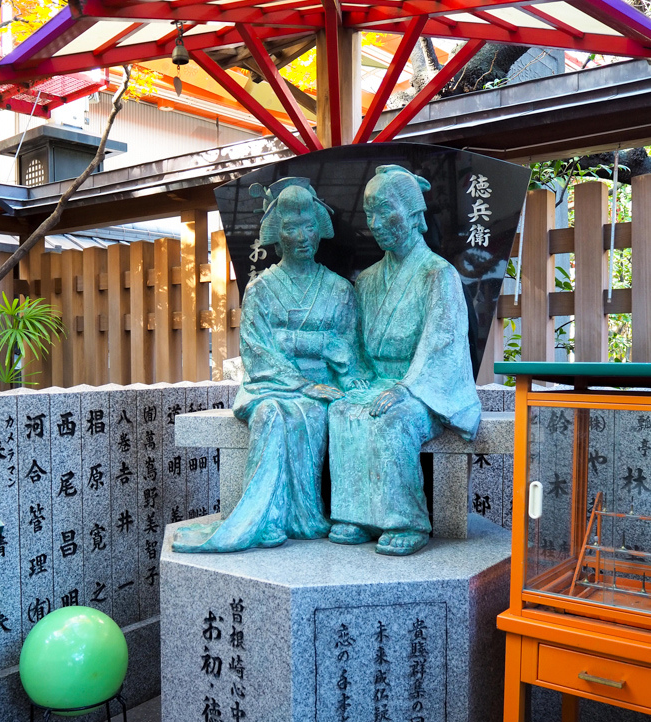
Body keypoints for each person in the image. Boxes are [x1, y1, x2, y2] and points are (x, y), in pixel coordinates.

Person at [173, 178, 366, 554]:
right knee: (271, 414)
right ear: (278, 233)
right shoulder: (261, 289)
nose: (302, 236)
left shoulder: (340, 289)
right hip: (272, 386)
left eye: (309, 226)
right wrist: (308, 367)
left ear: (320, 230)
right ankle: (271, 517)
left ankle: (304, 516)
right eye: (291, 227)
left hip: (326, 385)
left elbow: (347, 348)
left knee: (308, 414)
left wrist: (327, 361)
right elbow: (258, 351)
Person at [328, 164, 481, 556]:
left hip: (424, 388)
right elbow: (354, 343)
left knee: (394, 420)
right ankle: (356, 515)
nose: (375, 223)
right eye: (369, 213)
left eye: (384, 211)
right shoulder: (367, 280)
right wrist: (357, 376)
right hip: (379, 381)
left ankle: (406, 520)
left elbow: (442, 342)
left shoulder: (437, 274)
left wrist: (406, 388)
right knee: (344, 409)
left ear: (414, 216)